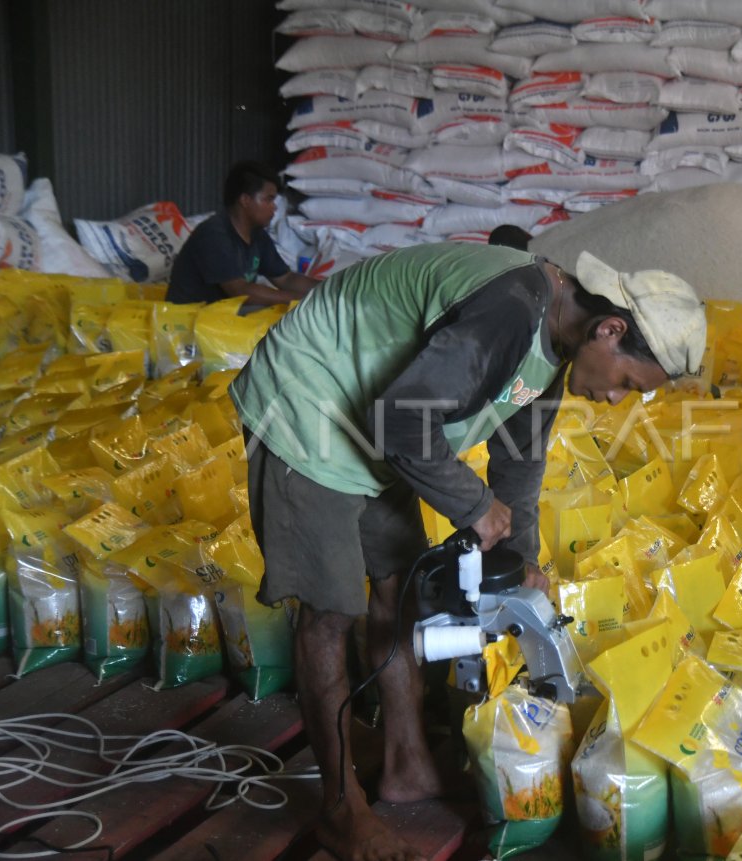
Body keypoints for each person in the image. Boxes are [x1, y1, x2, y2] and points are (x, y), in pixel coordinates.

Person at [228, 242, 706, 861]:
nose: (618, 400)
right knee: (331, 611)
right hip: (308, 408)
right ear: (610, 330)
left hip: (370, 424)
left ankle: (408, 766)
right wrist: (475, 508)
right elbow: (402, 421)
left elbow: (520, 469)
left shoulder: (558, 342)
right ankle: (340, 811)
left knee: (399, 584)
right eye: (627, 383)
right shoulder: (510, 309)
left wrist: (525, 561)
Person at [167, 161, 319, 306]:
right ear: (245, 200)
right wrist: (303, 299)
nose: (274, 208)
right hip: (191, 321)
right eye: (269, 200)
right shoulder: (214, 234)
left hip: (223, 317)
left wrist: (329, 289)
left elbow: (286, 279)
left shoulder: (257, 235)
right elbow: (240, 291)